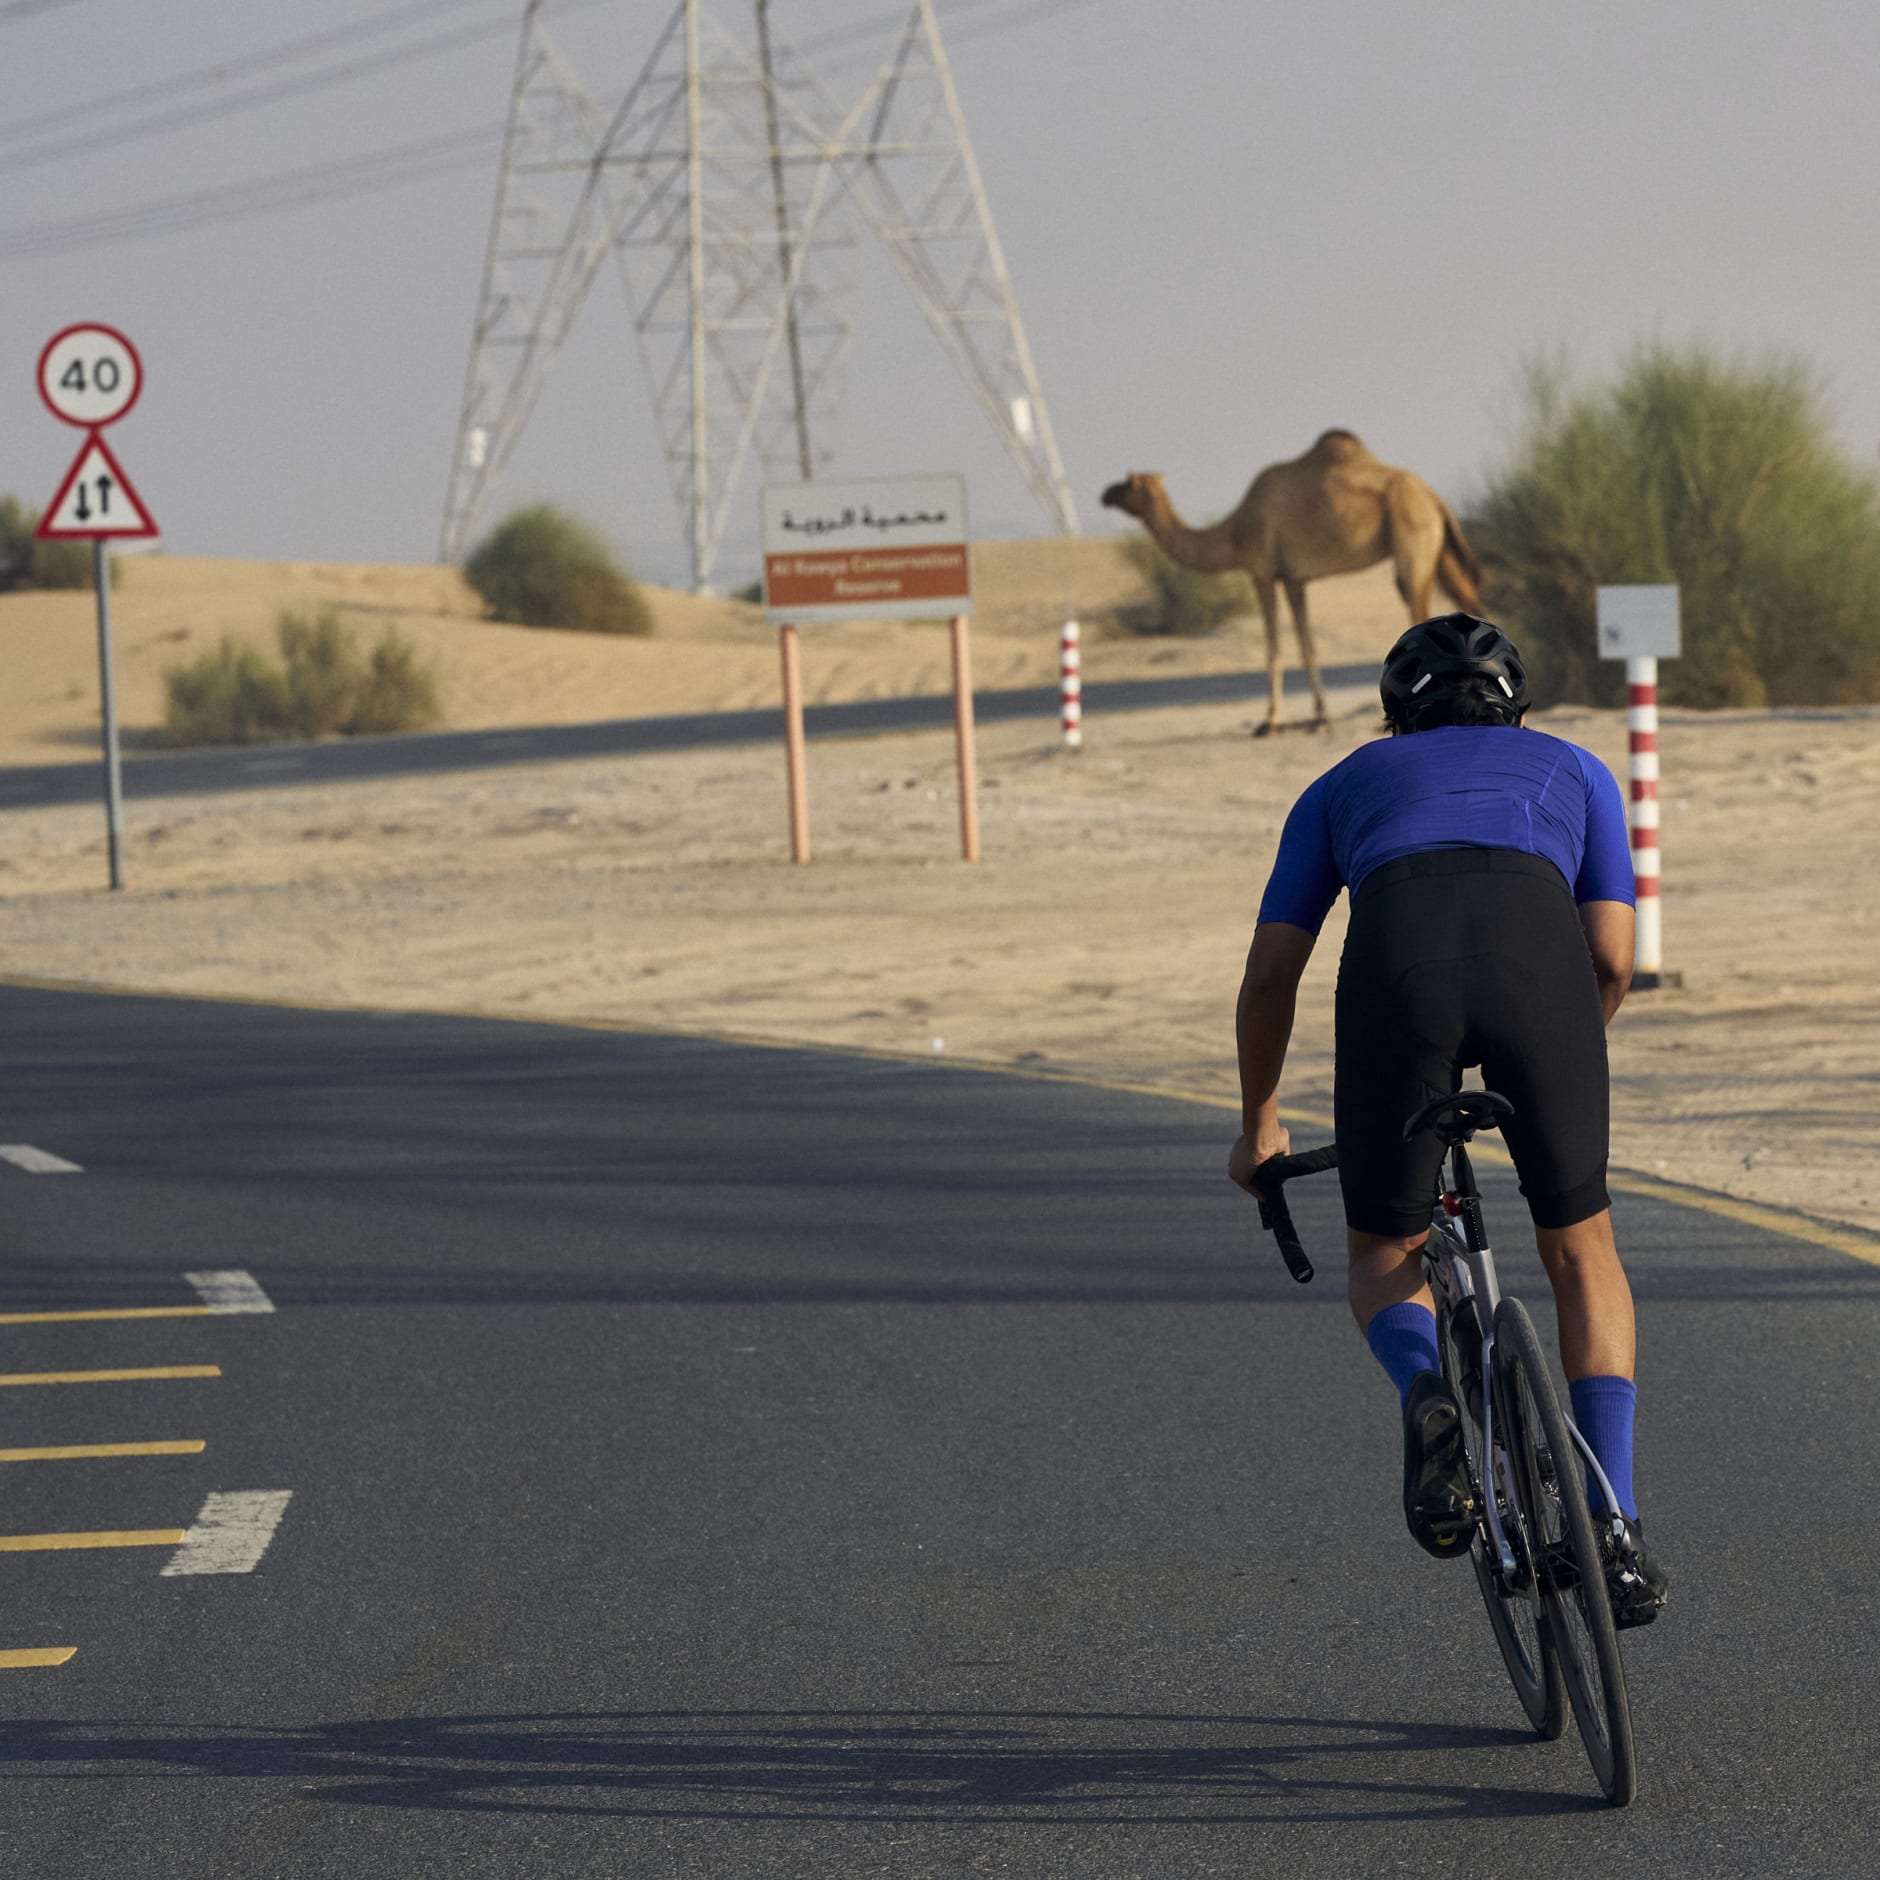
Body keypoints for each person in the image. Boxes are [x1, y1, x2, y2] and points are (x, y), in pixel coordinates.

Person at [1227, 612, 1668, 1626]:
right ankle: (1615, 1521)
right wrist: (1551, 1050)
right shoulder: (1576, 767)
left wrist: (1257, 1121)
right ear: (1517, 706)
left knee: (1385, 1243)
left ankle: (1426, 1387)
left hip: (1397, 963)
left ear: (1393, 717)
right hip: (1538, 966)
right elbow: (1608, 957)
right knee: (1578, 1241)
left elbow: (1268, 973)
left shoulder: (1340, 784)